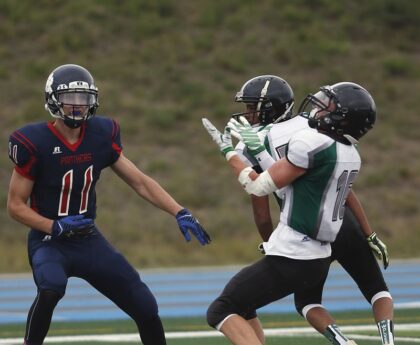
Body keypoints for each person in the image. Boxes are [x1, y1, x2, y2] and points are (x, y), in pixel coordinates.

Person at [7, 64, 211, 345]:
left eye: (83, 98)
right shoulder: (33, 141)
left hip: (87, 238)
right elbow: (15, 206)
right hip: (49, 240)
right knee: (51, 287)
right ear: (53, 100)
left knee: (145, 306)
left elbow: (139, 181)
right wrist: (54, 226)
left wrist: (179, 210)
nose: (78, 106)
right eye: (71, 98)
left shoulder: (101, 134)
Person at [202, 81, 377, 345]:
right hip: (316, 255)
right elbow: (289, 188)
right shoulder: (346, 153)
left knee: (221, 310)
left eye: (325, 107)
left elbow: (259, 185)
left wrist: (229, 153)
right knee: (243, 302)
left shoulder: (311, 143)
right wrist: (260, 152)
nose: (316, 112)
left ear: (341, 118)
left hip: (296, 253)